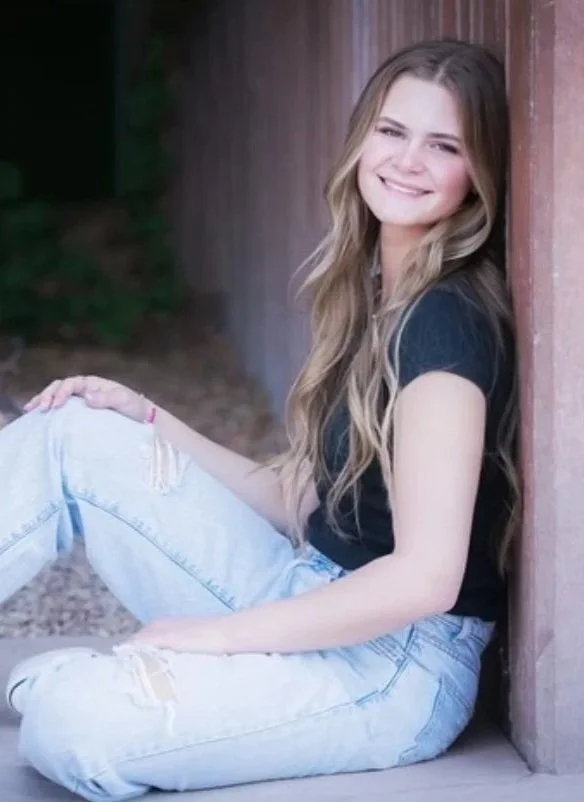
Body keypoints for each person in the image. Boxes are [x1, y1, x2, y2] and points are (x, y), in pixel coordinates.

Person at [0, 38, 518, 801]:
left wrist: (213, 641)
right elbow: (294, 499)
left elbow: (426, 579)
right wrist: (147, 416)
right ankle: (119, 682)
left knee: (71, 727)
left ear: (478, 177)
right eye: (392, 131)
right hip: (306, 590)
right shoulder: (374, 292)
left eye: (443, 145)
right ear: (360, 140)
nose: (407, 160)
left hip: (392, 666)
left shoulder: (445, 324)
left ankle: (86, 685)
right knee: (70, 428)